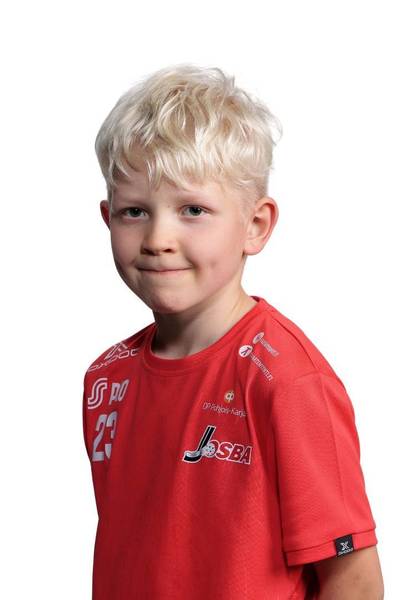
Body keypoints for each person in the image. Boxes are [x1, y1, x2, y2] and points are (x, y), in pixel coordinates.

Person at [82, 63, 384, 599]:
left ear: (255, 225)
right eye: (134, 212)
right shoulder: (105, 379)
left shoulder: (287, 382)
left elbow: (354, 583)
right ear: (107, 218)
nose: (158, 238)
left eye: (193, 209)